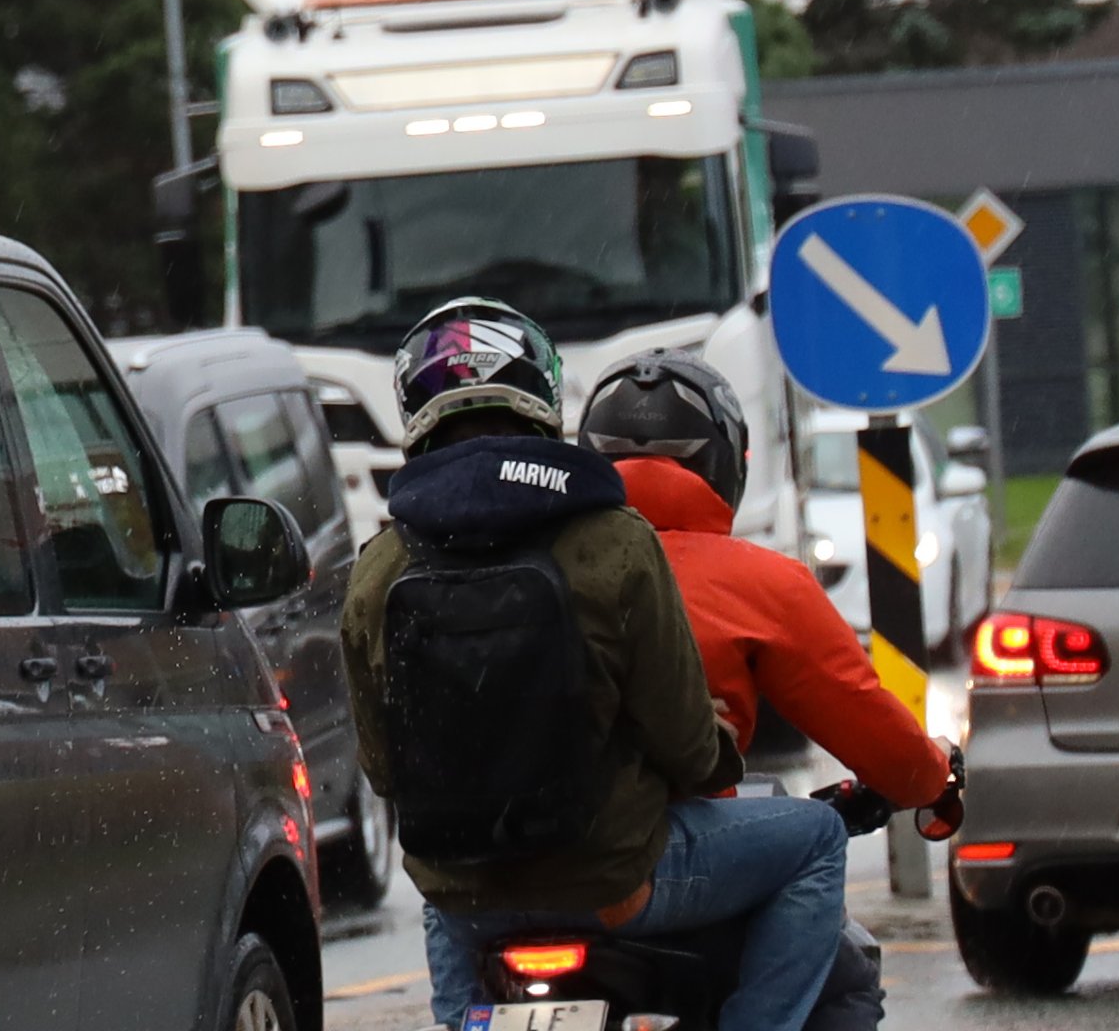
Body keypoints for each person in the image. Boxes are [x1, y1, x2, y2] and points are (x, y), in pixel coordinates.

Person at [337, 297, 849, 1031]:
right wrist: (716, 753)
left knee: (443, 897)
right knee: (816, 841)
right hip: (613, 881)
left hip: (468, 901)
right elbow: (687, 744)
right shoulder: (615, 539)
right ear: (545, 404)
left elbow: (384, 772)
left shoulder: (378, 569)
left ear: (416, 417)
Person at [579, 347, 957, 1030]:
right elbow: (869, 728)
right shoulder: (759, 581)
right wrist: (932, 781)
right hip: (660, 864)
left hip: (502, 874)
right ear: (724, 465)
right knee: (839, 969)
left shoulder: (526, 565)